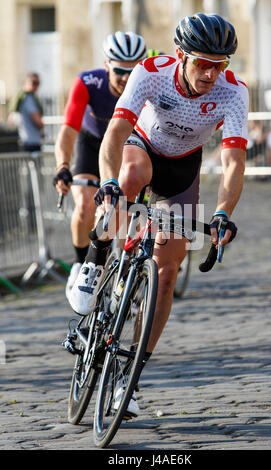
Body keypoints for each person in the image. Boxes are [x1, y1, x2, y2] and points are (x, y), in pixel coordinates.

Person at [69, 13, 249, 417]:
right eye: (202, 62)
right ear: (181, 55)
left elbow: (234, 161)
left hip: (183, 167)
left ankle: (127, 378)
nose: (210, 74)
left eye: (219, 65)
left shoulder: (233, 92)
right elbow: (114, 134)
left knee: (166, 273)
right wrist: (108, 183)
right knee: (130, 176)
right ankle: (96, 264)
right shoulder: (151, 72)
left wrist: (223, 211)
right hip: (141, 145)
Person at [53, 31, 147, 301]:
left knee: (127, 209)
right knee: (84, 204)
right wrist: (63, 165)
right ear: (107, 65)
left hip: (129, 145)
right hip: (92, 142)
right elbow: (69, 130)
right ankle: (81, 265)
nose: (127, 78)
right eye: (120, 71)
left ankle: (126, 267)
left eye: (133, 71)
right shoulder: (88, 82)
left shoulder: (148, 84)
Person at [8, 72, 44, 151]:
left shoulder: (19, 98)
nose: (36, 86)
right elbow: (38, 121)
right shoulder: (28, 99)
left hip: (23, 139)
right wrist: (41, 125)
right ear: (26, 82)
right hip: (32, 140)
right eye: (34, 83)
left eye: (38, 83)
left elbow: (11, 121)